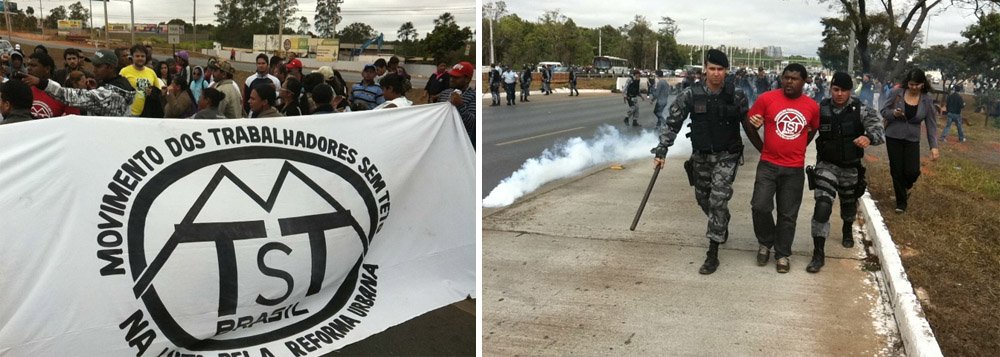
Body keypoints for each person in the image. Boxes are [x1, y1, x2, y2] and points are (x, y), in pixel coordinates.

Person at [651, 49, 753, 275]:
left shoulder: (736, 95)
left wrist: (765, 148)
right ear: (705, 69)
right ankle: (721, 220)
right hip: (701, 156)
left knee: (718, 199)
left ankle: (712, 253)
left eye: (720, 69)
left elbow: (748, 124)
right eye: (712, 69)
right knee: (703, 198)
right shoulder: (690, 94)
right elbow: (673, 123)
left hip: (727, 155)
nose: (716, 73)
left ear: (726, 71)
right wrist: (662, 149)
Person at [805, 72, 885, 273]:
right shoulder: (821, 108)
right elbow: (804, 126)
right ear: (831, 89)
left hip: (850, 167)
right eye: (836, 89)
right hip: (827, 165)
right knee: (822, 205)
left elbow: (879, 130)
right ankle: (818, 253)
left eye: (844, 90)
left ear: (850, 91)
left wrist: (868, 137)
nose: (839, 94)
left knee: (848, 204)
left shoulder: (860, 109)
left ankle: (847, 228)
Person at [746, 63, 821, 273]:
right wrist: (762, 147)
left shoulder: (812, 106)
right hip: (768, 165)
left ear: (804, 81)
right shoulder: (766, 99)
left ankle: (782, 254)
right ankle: (765, 242)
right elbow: (750, 123)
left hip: (794, 169)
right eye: (786, 77)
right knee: (759, 206)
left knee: (788, 214)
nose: (789, 81)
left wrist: (799, 147)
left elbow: (812, 130)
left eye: (794, 79)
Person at [879, 68, 940, 213]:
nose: (913, 87)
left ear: (922, 84)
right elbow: (884, 111)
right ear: (907, 83)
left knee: (912, 171)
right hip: (893, 136)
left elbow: (931, 124)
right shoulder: (896, 93)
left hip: (912, 138)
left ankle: (906, 187)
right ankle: (901, 203)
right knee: (896, 170)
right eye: (911, 84)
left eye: (917, 85)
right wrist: (893, 113)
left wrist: (934, 146)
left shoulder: (926, 100)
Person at [23, 49, 136, 117]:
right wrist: (95, 90)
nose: (94, 70)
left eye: (98, 66)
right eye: (93, 66)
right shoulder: (120, 83)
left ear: (111, 67)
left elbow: (73, 97)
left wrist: (42, 83)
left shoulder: (110, 95)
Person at [27, 52, 77, 118]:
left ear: (47, 69)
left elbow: (72, 121)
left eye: (33, 66)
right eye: (28, 65)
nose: (28, 68)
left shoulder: (62, 95)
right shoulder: (24, 90)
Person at [437, 61, 476, 148]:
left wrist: (460, 105)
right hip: (441, 141)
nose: (451, 79)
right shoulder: (444, 93)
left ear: (467, 79)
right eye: (451, 76)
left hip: (460, 145)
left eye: (456, 77)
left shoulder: (473, 96)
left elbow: (472, 123)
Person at [120, 44, 163, 117]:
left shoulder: (151, 72)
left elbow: (158, 91)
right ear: (132, 57)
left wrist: (153, 91)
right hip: (129, 113)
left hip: (147, 113)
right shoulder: (124, 71)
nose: (140, 58)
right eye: (137, 56)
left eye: (142, 56)